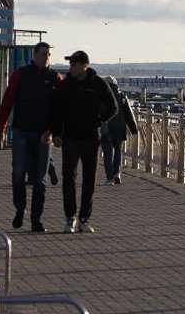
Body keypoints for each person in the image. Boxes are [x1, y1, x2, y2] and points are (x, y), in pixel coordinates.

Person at [0, 41, 61, 233]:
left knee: (40, 180)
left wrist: (53, 132)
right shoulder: (21, 74)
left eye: (48, 54)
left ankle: (36, 220)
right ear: (34, 55)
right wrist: (1, 128)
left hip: (43, 135)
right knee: (18, 173)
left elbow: (60, 110)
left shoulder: (55, 78)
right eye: (42, 54)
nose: (46, 57)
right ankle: (20, 208)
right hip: (22, 131)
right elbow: (7, 100)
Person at [51, 50, 117, 234]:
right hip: (70, 137)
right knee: (68, 177)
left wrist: (99, 120)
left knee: (89, 179)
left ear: (84, 66)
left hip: (91, 138)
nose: (70, 68)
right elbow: (58, 111)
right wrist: (57, 133)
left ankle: (84, 219)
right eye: (70, 64)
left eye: (74, 64)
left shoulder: (97, 84)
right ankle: (70, 217)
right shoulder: (66, 86)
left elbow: (113, 107)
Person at [100, 76, 138, 185]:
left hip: (106, 128)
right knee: (118, 151)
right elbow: (129, 114)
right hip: (120, 129)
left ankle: (110, 178)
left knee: (108, 154)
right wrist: (133, 128)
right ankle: (117, 173)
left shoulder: (102, 97)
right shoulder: (122, 97)